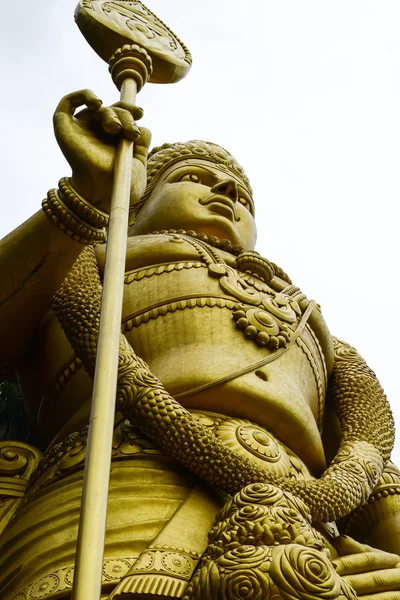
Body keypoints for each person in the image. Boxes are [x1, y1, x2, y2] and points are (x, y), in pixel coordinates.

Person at [0, 89, 399, 600]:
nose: (227, 192)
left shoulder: (306, 319)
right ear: (139, 197)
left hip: (307, 528)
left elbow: (371, 462)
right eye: (194, 178)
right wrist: (86, 198)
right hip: (119, 488)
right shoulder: (86, 257)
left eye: (243, 196)